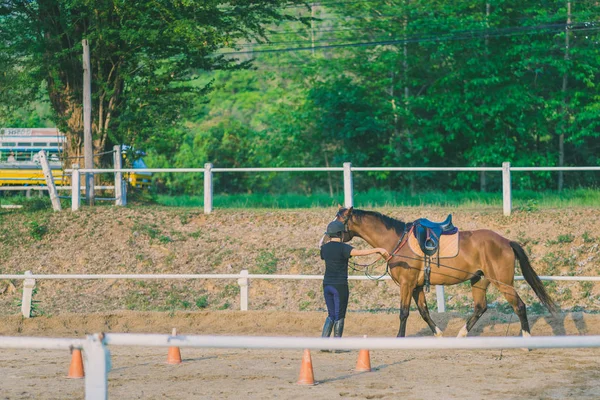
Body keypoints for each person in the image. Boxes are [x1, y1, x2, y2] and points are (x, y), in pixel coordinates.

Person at [320, 220, 390, 345]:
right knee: (339, 315)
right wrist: (378, 249)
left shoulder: (324, 249)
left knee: (331, 314)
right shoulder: (344, 248)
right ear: (341, 234)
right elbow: (360, 253)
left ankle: (323, 344)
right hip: (340, 286)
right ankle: (337, 346)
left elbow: (322, 244)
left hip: (327, 285)